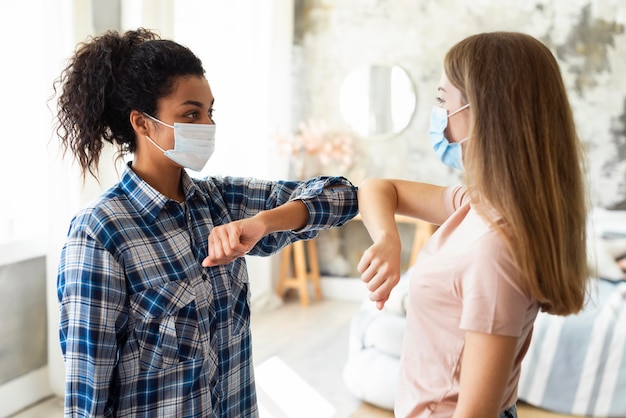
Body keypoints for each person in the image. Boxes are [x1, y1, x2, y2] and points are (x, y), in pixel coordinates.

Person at [53, 28, 358, 417]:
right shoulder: (99, 234)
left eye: (210, 112)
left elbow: (343, 196)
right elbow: (87, 396)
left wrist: (265, 223)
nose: (206, 125)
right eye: (190, 114)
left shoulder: (221, 202)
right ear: (142, 123)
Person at [356, 32, 589, 418]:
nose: (439, 119)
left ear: (482, 113)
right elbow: (379, 187)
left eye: (442, 101)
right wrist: (387, 240)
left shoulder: (495, 249)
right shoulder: (478, 204)